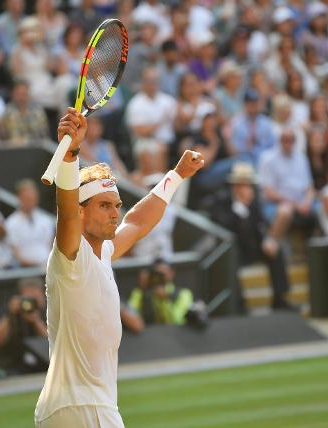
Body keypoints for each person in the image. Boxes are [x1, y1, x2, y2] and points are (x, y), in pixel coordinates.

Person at [34, 108, 204, 428]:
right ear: (83, 213)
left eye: (116, 205)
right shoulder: (72, 254)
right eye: (104, 205)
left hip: (74, 408)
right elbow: (67, 211)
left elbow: (138, 223)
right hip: (84, 407)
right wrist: (71, 153)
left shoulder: (105, 252)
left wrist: (177, 175)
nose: (114, 213)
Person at [210, 162, 292, 309]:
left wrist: (268, 240)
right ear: (234, 186)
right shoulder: (221, 201)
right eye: (242, 184)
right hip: (234, 250)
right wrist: (240, 208)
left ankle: (280, 299)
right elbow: (223, 227)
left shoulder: (254, 202)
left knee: (276, 251)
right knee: (231, 260)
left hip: (253, 247)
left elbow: (260, 224)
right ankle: (239, 305)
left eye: (248, 184)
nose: (246, 188)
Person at [258, 129, 315, 242]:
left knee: (322, 207)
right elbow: (267, 191)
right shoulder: (268, 158)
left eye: (291, 140)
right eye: (285, 140)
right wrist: (295, 204)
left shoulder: (301, 158)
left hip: (301, 202)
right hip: (276, 204)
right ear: (279, 141)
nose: (288, 144)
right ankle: (271, 242)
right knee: (285, 211)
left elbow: (309, 187)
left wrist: (307, 202)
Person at [0, 277, 48, 374]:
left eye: (34, 296)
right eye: (27, 297)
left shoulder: (50, 311)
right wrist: (11, 314)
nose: (31, 302)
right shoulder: (11, 313)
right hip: (15, 366)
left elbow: (52, 344)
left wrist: (36, 321)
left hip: (45, 364)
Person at [128, 259, 194, 325]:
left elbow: (177, 321)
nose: (160, 277)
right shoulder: (140, 293)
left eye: (163, 273)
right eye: (156, 274)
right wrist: (143, 289)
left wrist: (165, 299)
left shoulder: (183, 294)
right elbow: (130, 316)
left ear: (171, 273)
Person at [6, 179, 55, 268]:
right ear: (19, 198)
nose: (30, 200)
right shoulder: (11, 223)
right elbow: (15, 255)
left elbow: (51, 247)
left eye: (32, 197)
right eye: (27, 197)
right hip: (24, 271)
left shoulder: (46, 220)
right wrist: (37, 265)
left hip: (48, 270)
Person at [1, 79, 50, 146]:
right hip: (16, 150)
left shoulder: (37, 110)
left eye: (24, 94)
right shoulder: (8, 112)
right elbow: (13, 137)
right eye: (19, 94)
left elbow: (44, 134)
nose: (21, 97)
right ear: (13, 94)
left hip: (38, 147)